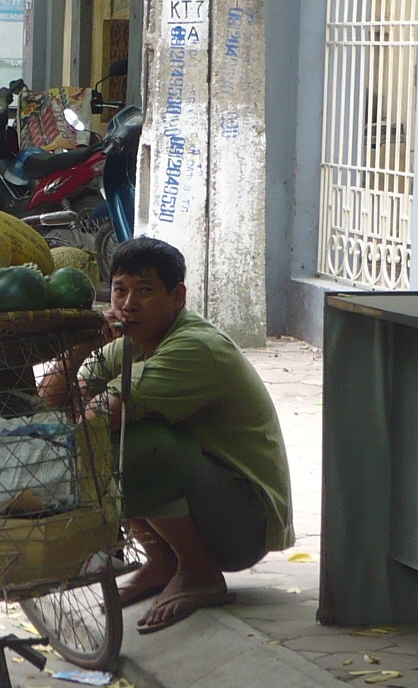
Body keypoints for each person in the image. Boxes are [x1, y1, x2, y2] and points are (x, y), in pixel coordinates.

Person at [42, 237, 294, 634]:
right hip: (209, 505)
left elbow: (94, 420)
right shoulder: (132, 343)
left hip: (244, 521)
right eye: (120, 291)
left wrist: (79, 414)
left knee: (139, 444)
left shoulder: (194, 347)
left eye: (144, 291)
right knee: (112, 441)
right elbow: (50, 400)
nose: (127, 305)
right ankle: (162, 561)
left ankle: (199, 572)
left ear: (177, 297)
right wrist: (80, 345)